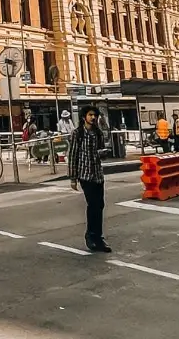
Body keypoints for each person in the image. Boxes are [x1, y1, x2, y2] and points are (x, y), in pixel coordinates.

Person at [68, 105, 110, 253]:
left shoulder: (98, 133)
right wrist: (73, 178)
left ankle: (98, 238)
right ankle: (91, 236)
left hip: (98, 174)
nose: (93, 117)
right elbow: (72, 155)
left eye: (95, 115)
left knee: (100, 205)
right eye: (90, 115)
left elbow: (102, 151)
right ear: (84, 117)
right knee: (93, 205)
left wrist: (103, 153)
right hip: (85, 174)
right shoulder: (77, 133)